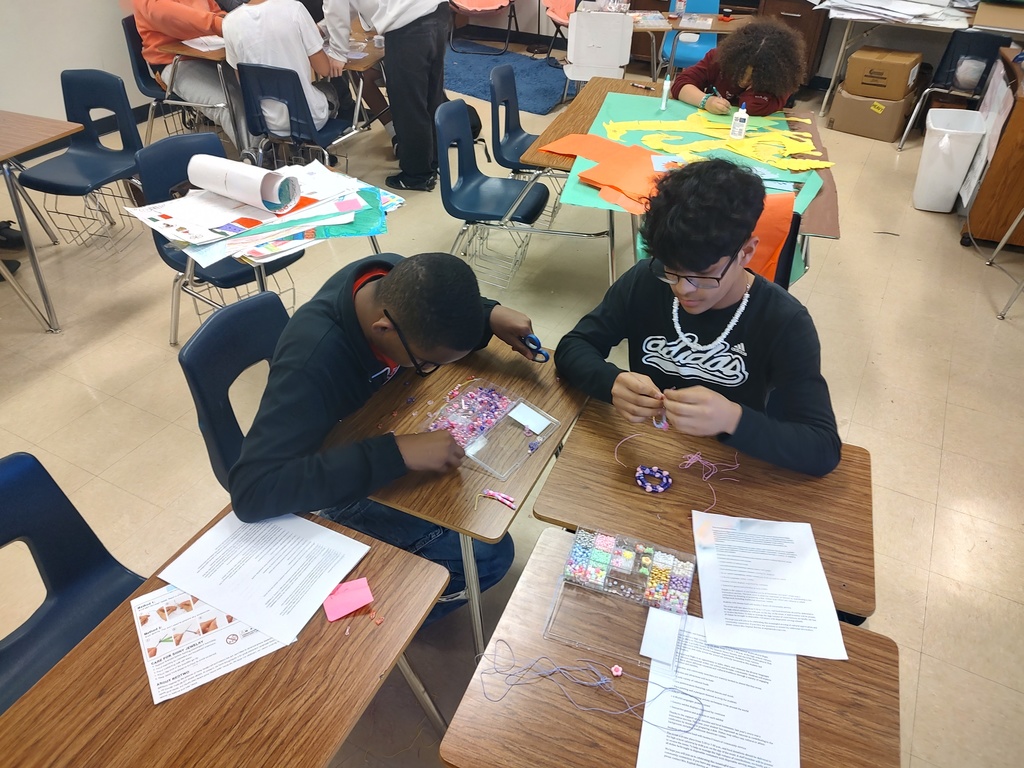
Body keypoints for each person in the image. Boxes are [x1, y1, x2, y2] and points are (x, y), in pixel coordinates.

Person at [229, 252, 541, 621]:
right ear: (383, 330)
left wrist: (487, 315)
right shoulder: (311, 363)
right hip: (323, 481)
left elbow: (434, 304)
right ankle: (373, 628)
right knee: (489, 555)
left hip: (367, 427)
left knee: (467, 507)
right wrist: (396, 453)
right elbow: (251, 493)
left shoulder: (389, 275)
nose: (429, 370)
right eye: (426, 363)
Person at [554, 160, 841, 477]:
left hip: (731, 468)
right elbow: (573, 348)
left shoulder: (784, 321)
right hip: (652, 451)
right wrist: (611, 381)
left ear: (745, 253)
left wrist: (733, 419)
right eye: (671, 271)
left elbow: (822, 449)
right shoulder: (645, 280)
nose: (683, 289)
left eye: (704, 276)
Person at [316, 1, 450, 191]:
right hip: (436, 14)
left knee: (408, 105)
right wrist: (323, 28)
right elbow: (350, 5)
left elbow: (336, 7)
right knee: (430, 96)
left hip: (408, 27)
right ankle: (432, 162)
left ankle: (417, 175)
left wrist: (338, 52)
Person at [223, 0, 353, 137]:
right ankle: (314, 145)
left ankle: (293, 150)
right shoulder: (294, 9)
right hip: (309, 118)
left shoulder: (229, 22)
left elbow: (243, 82)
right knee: (328, 90)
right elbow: (324, 70)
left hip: (265, 121)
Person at [132, 0, 247, 148]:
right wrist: (223, 24)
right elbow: (171, 15)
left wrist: (226, 20)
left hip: (211, 53)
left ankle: (272, 149)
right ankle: (257, 159)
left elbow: (214, 10)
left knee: (252, 90)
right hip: (174, 62)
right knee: (228, 104)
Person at [671, 17, 806, 117]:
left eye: (752, 78)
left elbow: (751, 107)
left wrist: (752, 89)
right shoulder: (719, 59)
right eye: (742, 73)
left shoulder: (781, 81)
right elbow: (680, 84)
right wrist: (706, 101)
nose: (743, 81)